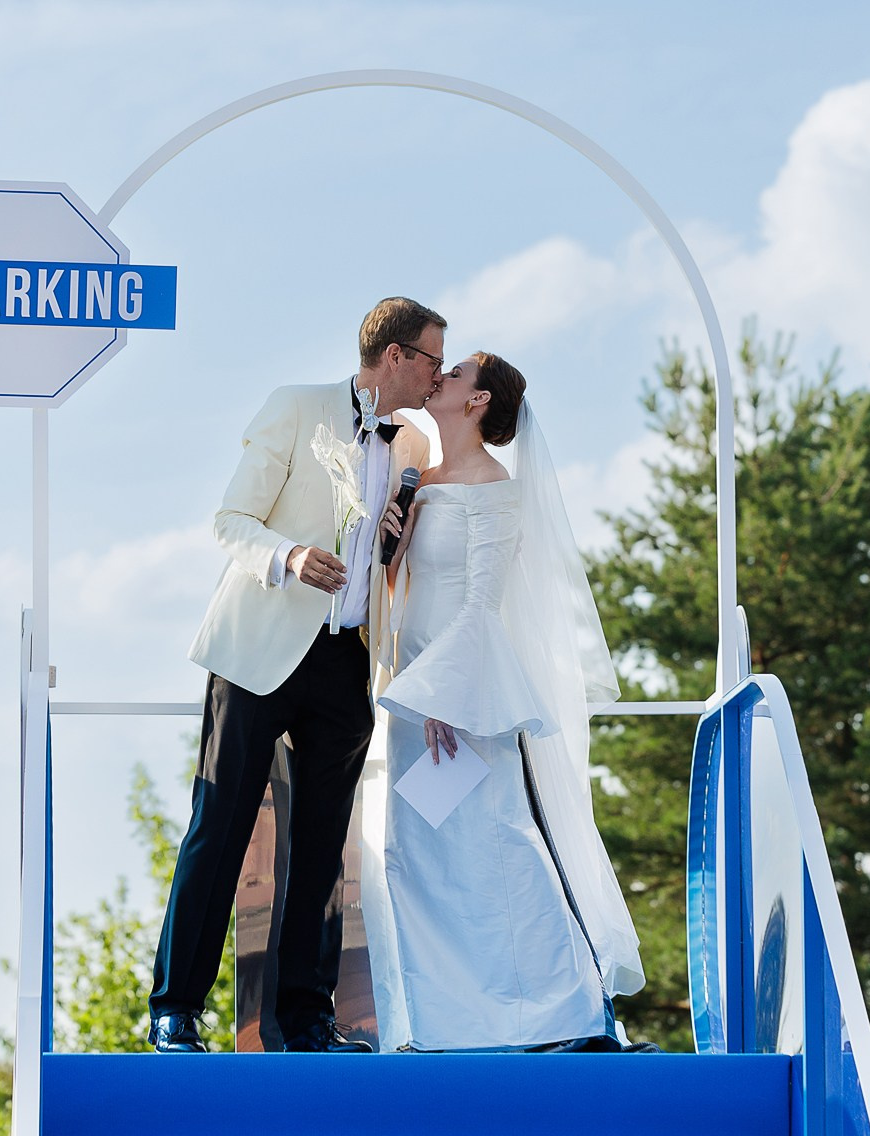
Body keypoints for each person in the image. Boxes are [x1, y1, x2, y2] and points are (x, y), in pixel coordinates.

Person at [148, 297, 447, 1053]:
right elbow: (230, 522)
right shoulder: (295, 408)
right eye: (433, 360)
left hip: (347, 661)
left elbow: (387, 550)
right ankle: (176, 1009)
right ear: (395, 357)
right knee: (218, 829)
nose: (438, 374)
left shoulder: (410, 443)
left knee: (322, 849)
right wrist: (288, 558)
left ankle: (309, 1019)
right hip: (259, 652)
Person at [361, 352, 647, 1051]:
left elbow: (481, 605)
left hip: (466, 699)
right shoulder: (418, 480)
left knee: (494, 842)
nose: (440, 377)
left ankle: (565, 1010)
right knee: (414, 853)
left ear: (479, 400)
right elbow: (396, 594)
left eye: (453, 373)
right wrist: (386, 549)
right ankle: (444, 1022)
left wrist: (445, 696)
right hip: (408, 696)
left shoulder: (496, 488)